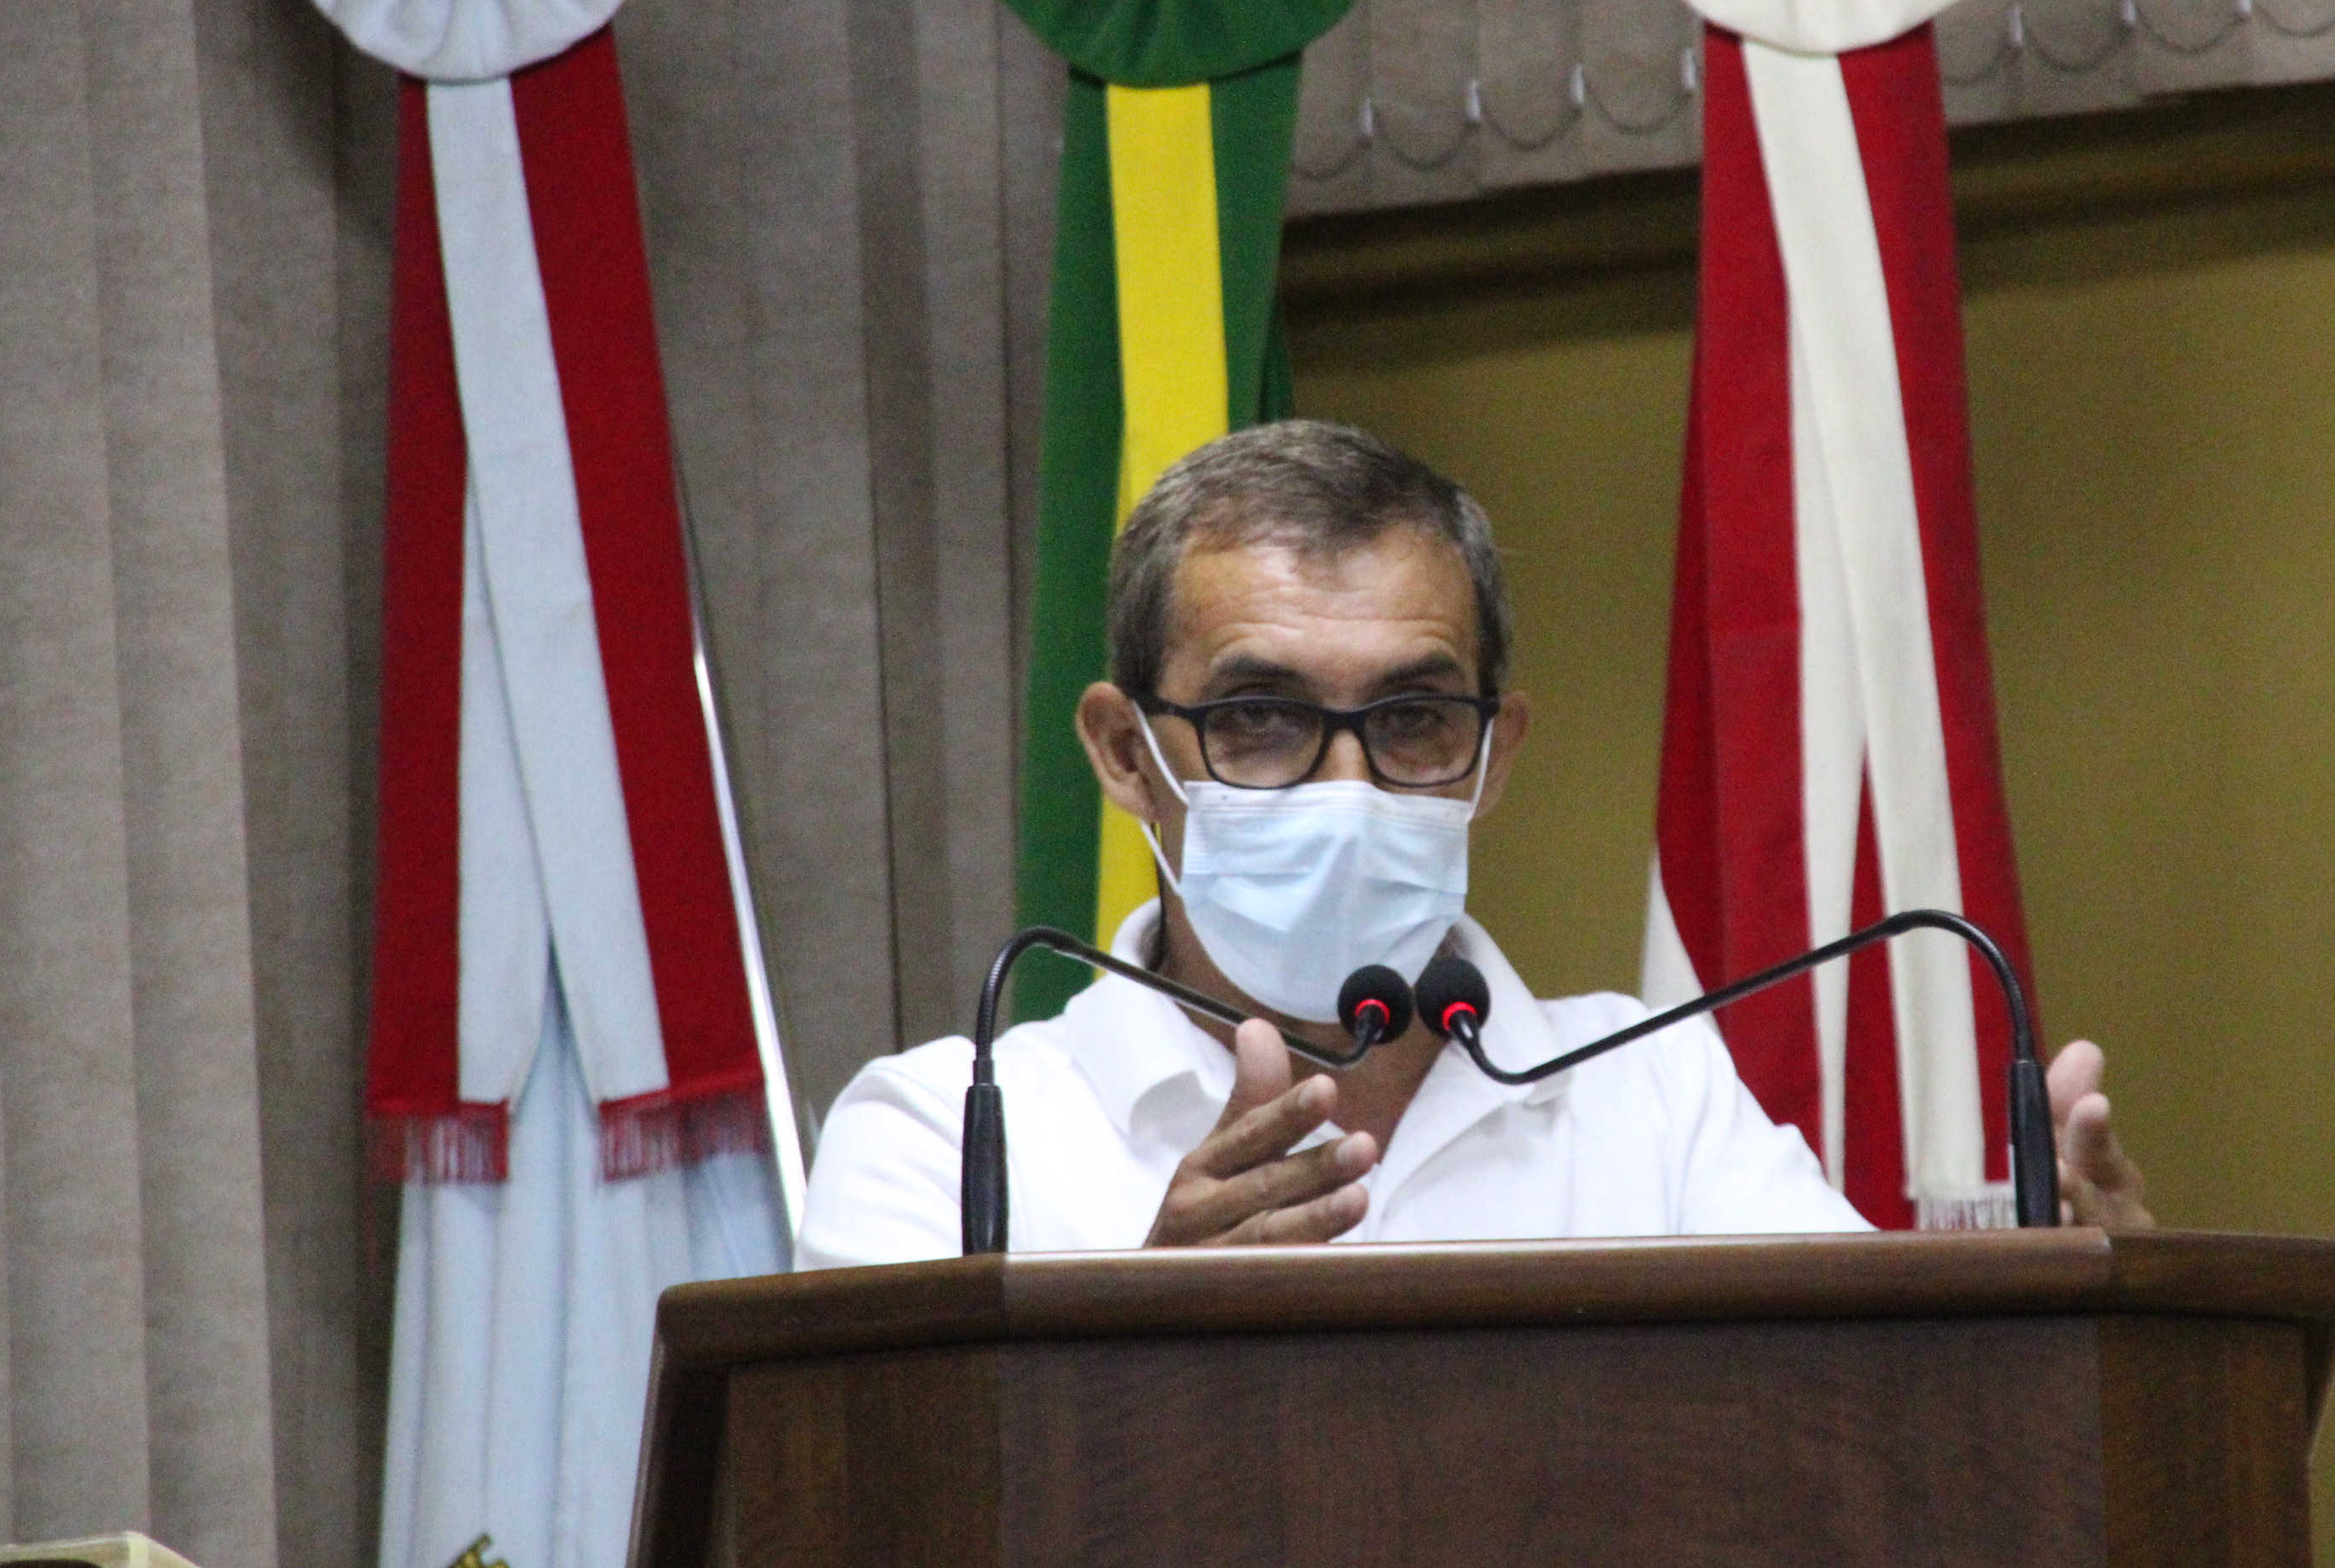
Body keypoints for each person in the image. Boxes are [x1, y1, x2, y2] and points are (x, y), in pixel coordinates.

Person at [794, 421, 2151, 1265]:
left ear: (1494, 752)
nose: (1347, 778)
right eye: (1261, 716)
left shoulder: (1651, 1097)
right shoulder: (948, 1134)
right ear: (1122, 751)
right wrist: (1147, 1339)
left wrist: (2090, 1319)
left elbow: (1898, 1449)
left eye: (1412, 717)